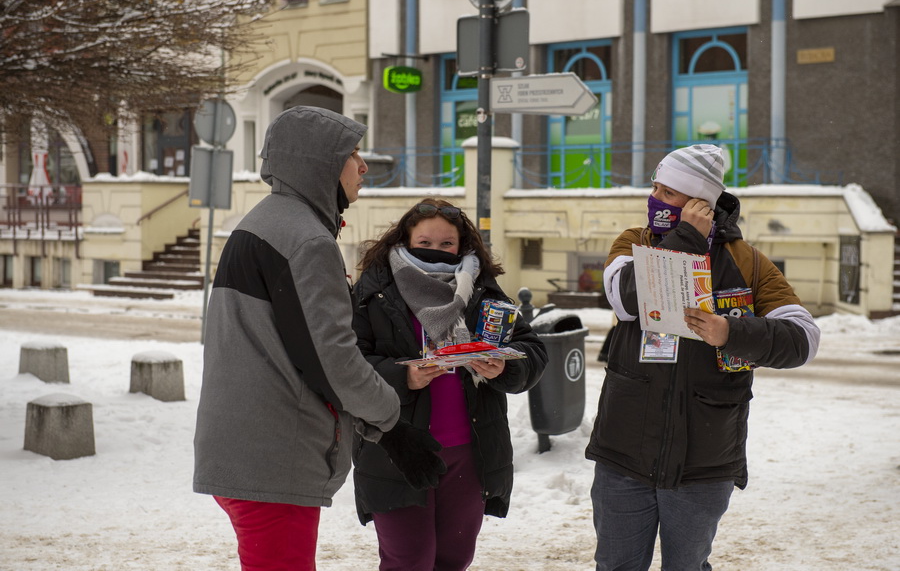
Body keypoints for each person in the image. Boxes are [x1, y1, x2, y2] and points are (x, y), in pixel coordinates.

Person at [193, 106, 446, 571]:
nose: (364, 166)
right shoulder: (305, 240)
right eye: (352, 154)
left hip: (247, 449)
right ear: (319, 163)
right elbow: (334, 358)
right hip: (271, 456)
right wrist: (393, 427)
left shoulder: (264, 223)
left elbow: (304, 349)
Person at [585, 144, 821, 571]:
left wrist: (732, 332)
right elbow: (625, 301)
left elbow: (803, 338)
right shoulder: (634, 242)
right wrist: (687, 241)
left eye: (668, 191)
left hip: (704, 462)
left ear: (701, 202)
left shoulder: (746, 262)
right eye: (654, 186)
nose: (655, 197)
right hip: (625, 453)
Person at [351, 197, 549, 571]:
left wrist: (501, 367)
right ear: (404, 239)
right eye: (424, 243)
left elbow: (531, 350)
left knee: (454, 560)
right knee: (409, 561)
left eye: (447, 244)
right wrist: (402, 376)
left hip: (470, 454)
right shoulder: (374, 293)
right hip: (398, 447)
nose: (435, 251)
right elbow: (347, 363)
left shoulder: (481, 290)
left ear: (462, 246)